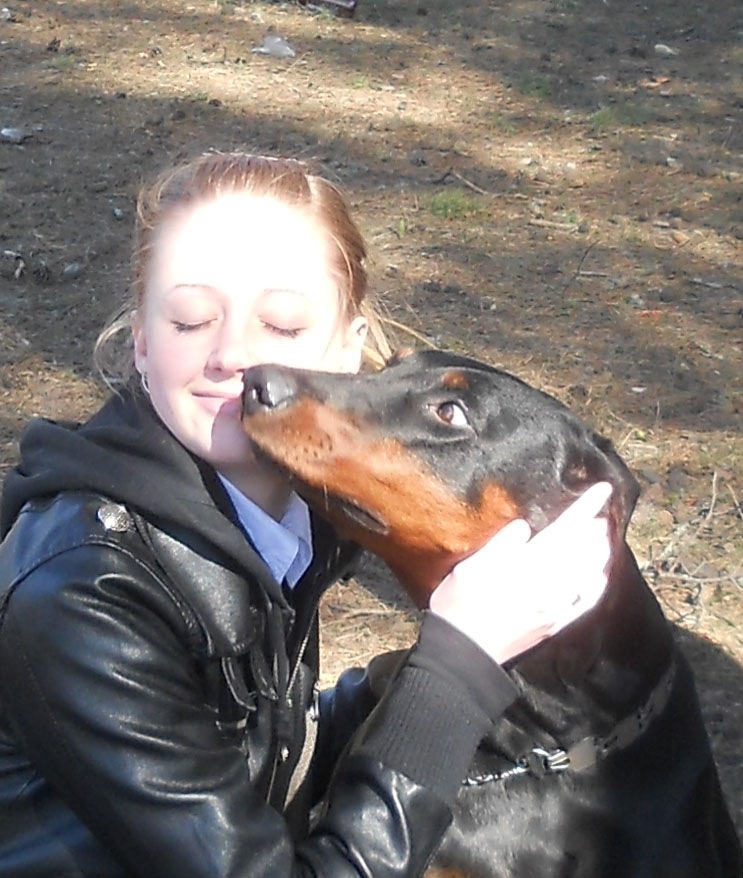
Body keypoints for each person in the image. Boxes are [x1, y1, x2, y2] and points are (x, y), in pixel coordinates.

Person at [0, 151, 612, 878]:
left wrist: (412, 689)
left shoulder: (294, 514)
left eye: (283, 325)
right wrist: (456, 666)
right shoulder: (83, 589)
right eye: (190, 320)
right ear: (140, 341)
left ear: (350, 349)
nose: (233, 355)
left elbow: (253, 741)